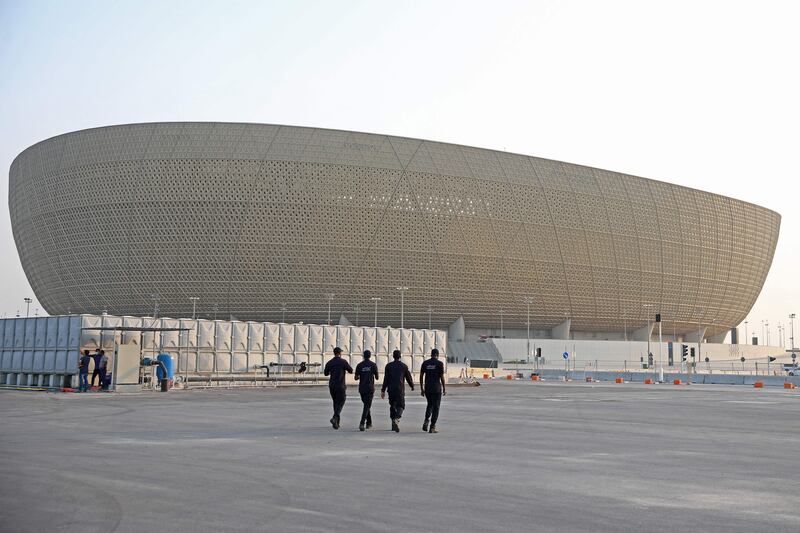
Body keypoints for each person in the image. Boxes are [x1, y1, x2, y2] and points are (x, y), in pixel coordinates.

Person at [381, 350, 414, 432]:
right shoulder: (404, 366)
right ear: (400, 356)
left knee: (392, 406)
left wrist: (383, 390)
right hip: (400, 390)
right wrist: (412, 386)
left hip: (391, 390)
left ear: (393, 356)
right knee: (401, 405)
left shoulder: (388, 366)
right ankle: (397, 418)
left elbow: (386, 379)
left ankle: (393, 424)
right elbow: (408, 378)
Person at [323, 347, 353, 429]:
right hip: (340, 385)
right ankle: (335, 417)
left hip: (332, 385)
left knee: (335, 402)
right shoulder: (343, 362)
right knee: (342, 400)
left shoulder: (329, 362)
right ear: (340, 353)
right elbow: (351, 370)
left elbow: (325, 373)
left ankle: (336, 423)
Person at [420, 348, 446, 433]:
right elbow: (442, 377)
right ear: (437, 355)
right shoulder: (439, 364)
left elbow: (421, 376)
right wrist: (444, 388)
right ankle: (432, 426)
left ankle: (426, 420)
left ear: (431, 354)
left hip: (428, 388)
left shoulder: (425, 363)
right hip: (436, 389)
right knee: (436, 408)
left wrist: (422, 389)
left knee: (429, 405)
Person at [354, 349, 379, 431]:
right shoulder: (373, 365)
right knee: (367, 406)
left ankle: (369, 422)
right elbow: (377, 377)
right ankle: (362, 423)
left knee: (366, 405)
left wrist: (360, 375)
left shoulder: (359, 365)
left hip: (362, 389)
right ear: (370, 356)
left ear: (363, 356)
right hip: (370, 388)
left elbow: (356, 378)